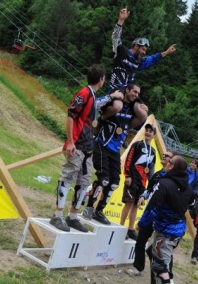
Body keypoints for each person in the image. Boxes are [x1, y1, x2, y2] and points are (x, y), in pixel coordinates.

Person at [49, 64, 122, 232]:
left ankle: (73, 216)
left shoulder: (92, 95)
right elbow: (70, 116)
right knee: (68, 177)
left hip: (88, 146)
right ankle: (57, 215)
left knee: (84, 181)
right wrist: (70, 141)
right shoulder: (84, 93)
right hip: (77, 145)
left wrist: (111, 97)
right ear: (102, 79)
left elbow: (96, 105)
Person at [99, 6, 176, 128]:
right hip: (116, 89)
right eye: (143, 49)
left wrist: (165, 53)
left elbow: (152, 59)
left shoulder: (139, 62)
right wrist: (121, 21)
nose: (144, 52)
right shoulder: (121, 52)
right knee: (117, 107)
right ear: (136, 46)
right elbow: (115, 38)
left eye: (146, 50)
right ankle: (101, 119)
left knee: (143, 114)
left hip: (129, 93)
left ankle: (123, 131)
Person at [86, 83, 148, 225]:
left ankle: (99, 210)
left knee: (114, 183)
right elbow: (95, 105)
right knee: (104, 179)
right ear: (126, 90)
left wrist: (142, 107)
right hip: (102, 145)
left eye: (138, 93)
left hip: (115, 150)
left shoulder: (132, 110)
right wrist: (111, 96)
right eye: (134, 91)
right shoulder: (115, 102)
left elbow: (142, 120)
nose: (135, 95)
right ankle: (89, 207)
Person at [137, 155, 192, 284]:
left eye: (170, 161)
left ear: (172, 167)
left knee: (160, 266)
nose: (167, 162)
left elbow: (152, 207)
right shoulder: (188, 187)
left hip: (166, 232)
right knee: (152, 252)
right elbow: (191, 205)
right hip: (177, 230)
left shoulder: (164, 184)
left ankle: (167, 280)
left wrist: (141, 223)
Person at [130, 151, 177, 274]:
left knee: (161, 247)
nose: (164, 156)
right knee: (140, 240)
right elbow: (149, 189)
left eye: (167, 156)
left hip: (163, 218)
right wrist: (143, 197)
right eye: (164, 154)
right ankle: (138, 268)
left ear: (172, 161)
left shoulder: (173, 178)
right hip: (151, 214)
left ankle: (167, 273)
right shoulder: (157, 174)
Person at [120, 123, 156, 240]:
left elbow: (151, 168)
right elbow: (129, 159)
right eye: (147, 130)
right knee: (129, 202)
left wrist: (150, 184)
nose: (148, 133)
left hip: (142, 181)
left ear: (154, 135)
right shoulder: (137, 144)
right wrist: (127, 175)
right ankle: (121, 227)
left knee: (135, 205)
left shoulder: (153, 152)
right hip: (133, 177)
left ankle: (131, 229)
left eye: (151, 131)